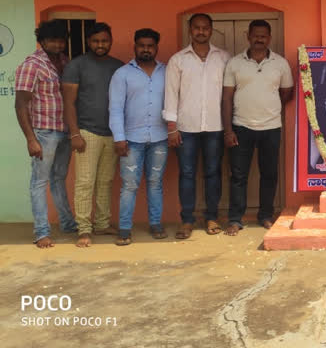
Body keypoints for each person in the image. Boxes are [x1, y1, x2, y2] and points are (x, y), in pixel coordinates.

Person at [222, 20, 293, 234]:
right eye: (255, 35)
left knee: (269, 174)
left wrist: (268, 106)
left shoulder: (280, 63)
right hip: (241, 126)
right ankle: (235, 219)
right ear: (248, 36)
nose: (259, 39)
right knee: (238, 176)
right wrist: (228, 130)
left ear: (269, 38)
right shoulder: (235, 63)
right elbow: (226, 98)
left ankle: (265, 216)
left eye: (263, 36)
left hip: (271, 127)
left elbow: (286, 93)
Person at [164, 13, 231, 240]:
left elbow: (230, 94)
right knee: (187, 174)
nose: (200, 32)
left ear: (211, 30)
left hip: (215, 126)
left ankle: (212, 216)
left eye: (205, 28)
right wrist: (172, 127)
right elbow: (171, 94)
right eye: (196, 28)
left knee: (213, 173)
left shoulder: (223, 58)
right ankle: (187, 220)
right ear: (190, 30)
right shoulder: (178, 60)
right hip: (186, 127)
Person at [15, 20, 78, 248]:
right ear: (41, 41)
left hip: (63, 130)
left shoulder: (63, 62)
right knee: (39, 182)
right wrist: (31, 139)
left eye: (61, 40)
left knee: (59, 179)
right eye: (52, 39)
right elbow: (20, 104)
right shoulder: (31, 65)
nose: (57, 44)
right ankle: (41, 232)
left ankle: (68, 223)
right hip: (44, 132)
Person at [62, 22, 123, 248]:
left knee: (106, 181)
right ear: (89, 42)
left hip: (112, 133)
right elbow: (69, 102)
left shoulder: (118, 66)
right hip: (87, 132)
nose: (100, 45)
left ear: (111, 41)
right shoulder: (76, 65)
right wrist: (74, 133)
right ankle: (84, 229)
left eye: (104, 41)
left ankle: (102, 224)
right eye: (96, 41)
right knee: (85, 183)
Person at [109, 28, 168, 246]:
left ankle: (155, 224)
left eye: (150, 45)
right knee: (130, 185)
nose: (146, 49)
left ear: (156, 48)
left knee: (155, 183)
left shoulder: (166, 72)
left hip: (160, 138)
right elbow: (115, 109)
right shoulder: (122, 74)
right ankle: (125, 228)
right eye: (141, 45)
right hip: (131, 140)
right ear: (135, 47)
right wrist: (119, 138)